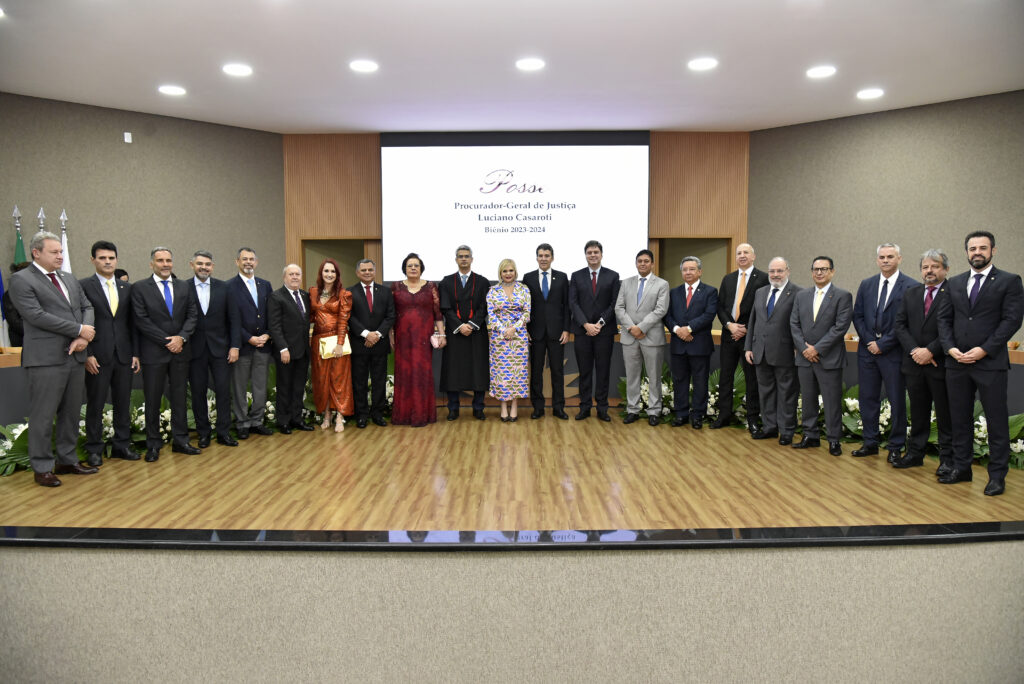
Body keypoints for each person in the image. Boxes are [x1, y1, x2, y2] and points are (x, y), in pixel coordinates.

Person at [936, 231, 1024, 496]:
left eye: (982, 248)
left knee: (996, 421)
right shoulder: (954, 283)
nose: (977, 252)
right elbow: (943, 320)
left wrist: (983, 350)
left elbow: (1011, 321)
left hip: (990, 364)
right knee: (959, 419)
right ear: (966, 252)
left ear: (993, 251)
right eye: (972, 248)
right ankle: (962, 468)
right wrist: (950, 348)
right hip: (957, 363)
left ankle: (997, 476)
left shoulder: (1009, 281)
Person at [8, 231, 96, 486]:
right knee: (43, 416)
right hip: (45, 359)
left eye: (61, 252)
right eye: (54, 252)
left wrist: (84, 337)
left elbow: (87, 307)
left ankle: (67, 460)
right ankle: (43, 467)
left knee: (70, 414)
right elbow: (35, 316)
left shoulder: (68, 278)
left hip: (75, 356)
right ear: (36, 253)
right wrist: (78, 330)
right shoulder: (21, 280)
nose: (60, 256)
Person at [131, 246, 199, 462]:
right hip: (154, 353)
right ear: (152, 264)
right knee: (152, 399)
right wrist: (167, 341)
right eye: (160, 260)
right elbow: (141, 320)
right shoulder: (140, 288)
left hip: (181, 351)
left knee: (179, 398)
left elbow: (192, 315)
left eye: (168, 260)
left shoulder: (183, 286)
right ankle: (153, 444)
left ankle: (181, 441)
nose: (165, 264)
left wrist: (181, 338)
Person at [851, 243, 916, 462]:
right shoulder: (867, 284)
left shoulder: (911, 286)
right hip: (867, 352)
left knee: (897, 400)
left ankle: (896, 445)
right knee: (868, 398)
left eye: (890, 256)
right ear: (877, 260)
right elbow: (857, 315)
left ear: (899, 258)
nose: (885, 260)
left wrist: (884, 343)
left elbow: (907, 322)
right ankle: (870, 442)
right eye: (882, 257)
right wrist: (870, 341)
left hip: (894, 353)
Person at [80, 240, 140, 466]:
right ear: (93, 260)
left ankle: (121, 445)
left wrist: (135, 352)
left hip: (124, 355)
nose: (107, 262)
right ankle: (94, 449)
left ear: (116, 260)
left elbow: (132, 323)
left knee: (123, 402)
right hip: (97, 355)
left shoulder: (127, 287)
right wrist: (88, 353)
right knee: (95, 404)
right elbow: (80, 322)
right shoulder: (84, 286)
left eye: (111, 258)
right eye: (102, 258)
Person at [893, 249, 953, 472]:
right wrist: (915, 351)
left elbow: (953, 327)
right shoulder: (912, 293)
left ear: (945, 269)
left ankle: (947, 459)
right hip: (914, 364)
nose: (930, 270)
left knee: (945, 415)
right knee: (918, 412)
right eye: (926, 267)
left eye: (935, 266)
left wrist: (930, 351)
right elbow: (900, 325)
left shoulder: (953, 292)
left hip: (940, 365)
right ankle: (915, 453)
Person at [789, 256, 853, 456]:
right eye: (816, 269)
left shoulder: (843, 296)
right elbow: (794, 324)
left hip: (829, 358)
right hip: (804, 358)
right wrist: (804, 348)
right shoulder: (802, 295)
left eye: (824, 269)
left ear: (832, 272)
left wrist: (816, 349)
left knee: (831, 400)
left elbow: (840, 327)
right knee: (808, 399)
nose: (819, 273)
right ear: (811, 272)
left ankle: (834, 440)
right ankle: (810, 435)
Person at [744, 257, 800, 444]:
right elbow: (753, 320)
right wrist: (748, 347)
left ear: (787, 271)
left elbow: (799, 324)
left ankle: (786, 430)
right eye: (772, 271)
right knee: (765, 392)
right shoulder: (760, 292)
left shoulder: (798, 293)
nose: (775, 275)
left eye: (779, 271)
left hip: (785, 352)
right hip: (760, 351)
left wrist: (796, 347)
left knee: (786, 393)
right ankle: (769, 427)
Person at [712, 243, 767, 431]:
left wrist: (745, 329)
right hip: (729, 336)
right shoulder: (728, 279)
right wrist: (729, 325)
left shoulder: (764, 278)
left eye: (746, 252)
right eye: (739, 253)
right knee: (725, 377)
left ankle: (752, 418)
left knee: (751, 379)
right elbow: (720, 306)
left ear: (753, 256)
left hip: (749, 338)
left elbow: (763, 310)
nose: (742, 255)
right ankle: (724, 415)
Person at [186, 250, 238, 448]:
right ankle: (203, 433)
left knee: (224, 392)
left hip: (221, 350)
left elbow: (234, 319)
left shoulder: (224, 288)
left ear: (213, 267)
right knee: (198, 393)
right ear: (192, 265)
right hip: (194, 350)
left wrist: (234, 346)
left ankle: (224, 432)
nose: (204, 267)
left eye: (207, 264)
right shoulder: (184, 288)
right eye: (200, 264)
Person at [614, 249, 669, 426]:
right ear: (636, 263)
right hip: (630, 337)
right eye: (640, 261)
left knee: (654, 376)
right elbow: (619, 308)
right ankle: (633, 409)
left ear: (652, 263)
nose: (643, 264)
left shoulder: (662, 284)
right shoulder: (626, 283)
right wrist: (632, 328)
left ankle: (654, 411)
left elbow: (661, 310)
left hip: (652, 336)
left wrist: (642, 327)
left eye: (646, 261)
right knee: (632, 376)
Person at [391, 253, 445, 427]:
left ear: (421, 268)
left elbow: (437, 314)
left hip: (423, 339)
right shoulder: (396, 287)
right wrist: (391, 335)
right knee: (404, 374)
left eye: (416, 265)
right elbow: (391, 315)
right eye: (409, 265)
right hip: (403, 339)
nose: (413, 268)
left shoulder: (430, 287)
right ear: (404, 269)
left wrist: (442, 334)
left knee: (422, 374)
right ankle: (404, 415)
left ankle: (423, 414)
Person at [568, 240, 620, 421]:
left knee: (603, 371)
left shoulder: (613, 276)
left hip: (604, 332)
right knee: (585, 371)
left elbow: (614, 303)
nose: (593, 255)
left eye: (596, 252)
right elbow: (573, 303)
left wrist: (600, 323)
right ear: (585, 255)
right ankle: (585, 407)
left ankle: (602, 408)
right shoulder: (576, 276)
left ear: (601, 254)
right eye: (589, 252)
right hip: (583, 332)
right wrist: (586, 324)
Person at [663, 256, 718, 429]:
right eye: (685, 269)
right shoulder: (673, 292)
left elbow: (709, 315)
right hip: (678, 344)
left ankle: (698, 415)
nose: (688, 272)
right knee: (679, 381)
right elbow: (667, 315)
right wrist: (677, 329)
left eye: (692, 269)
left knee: (700, 381)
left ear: (699, 271)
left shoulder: (710, 291)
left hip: (699, 344)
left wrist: (689, 329)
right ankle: (681, 414)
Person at [226, 247, 274, 439]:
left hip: (263, 345)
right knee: (239, 386)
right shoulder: (229, 286)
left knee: (260, 385)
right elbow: (230, 318)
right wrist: (248, 338)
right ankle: (242, 422)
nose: (248, 262)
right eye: (244, 259)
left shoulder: (265, 285)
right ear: (237, 262)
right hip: (244, 346)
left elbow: (271, 313)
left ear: (256, 262)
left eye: (251, 259)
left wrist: (267, 334)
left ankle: (256, 420)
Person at [439, 245, 489, 420]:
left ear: (472, 259)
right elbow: (445, 307)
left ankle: (478, 408)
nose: (464, 259)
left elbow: (484, 307)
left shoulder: (482, 282)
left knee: (478, 370)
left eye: (467, 256)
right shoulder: (446, 282)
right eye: (460, 256)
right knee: (454, 371)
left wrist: (472, 324)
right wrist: (460, 326)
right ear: (456, 259)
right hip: (455, 333)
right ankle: (453, 408)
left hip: (476, 333)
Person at [522, 243, 570, 420]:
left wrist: (566, 329)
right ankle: (538, 407)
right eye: (540, 255)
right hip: (535, 333)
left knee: (557, 371)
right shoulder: (528, 278)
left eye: (547, 255)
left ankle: (559, 407)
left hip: (557, 333)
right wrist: (525, 329)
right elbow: (524, 307)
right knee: (536, 372)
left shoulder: (562, 277)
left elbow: (567, 307)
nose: (543, 258)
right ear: (536, 258)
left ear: (552, 258)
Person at [348, 258, 395, 429]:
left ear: (375, 272)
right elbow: (349, 317)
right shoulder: (349, 292)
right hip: (359, 344)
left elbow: (391, 316)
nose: (367, 272)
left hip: (380, 344)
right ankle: (361, 415)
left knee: (379, 381)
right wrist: (367, 334)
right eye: (363, 270)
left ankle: (377, 414)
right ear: (357, 273)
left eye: (370, 270)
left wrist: (377, 335)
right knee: (359, 382)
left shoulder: (385, 291)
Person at [268, 263, 313, 434]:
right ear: (284, 277)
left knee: (298, 387)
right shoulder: (276, 296)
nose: (295, 277)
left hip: (303, 351)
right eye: (291, 274)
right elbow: (274, 326)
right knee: (285, 387)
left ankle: (297, 419)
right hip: (286, 352)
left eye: (297, 274)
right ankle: (283, 421)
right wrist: (282, 348)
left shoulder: (304, 295)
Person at [309, 258, 353, 432]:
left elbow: (343, 320)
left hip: (337, 342)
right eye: (326, 271)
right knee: (322, 380)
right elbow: (310, 316)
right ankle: (326, 414)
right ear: (321, 273)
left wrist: (340, 343)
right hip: (318, 342)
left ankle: (340, 416)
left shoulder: (344, 294)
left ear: (337, 275)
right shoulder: (313, 292)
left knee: (338, 379)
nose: (329, 274)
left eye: (333, 271)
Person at [486, 258, 530, 421]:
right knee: (501, 374)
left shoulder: (524, 289)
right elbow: (491, 314)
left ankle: (515, 406)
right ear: (500, 273)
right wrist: (504, 329)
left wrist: (514, 328)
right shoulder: (493, 291)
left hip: (518, 337)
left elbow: (526, 313)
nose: (508, 274)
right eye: (505, 271)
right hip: (499, 337)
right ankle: (503, 406)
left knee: (517, 373)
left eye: (511, 270)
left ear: (515, 272)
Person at [3, 262, 30, 346]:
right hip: (22, 341)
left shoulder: (40, 292)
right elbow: (14, 321)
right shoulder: (10, 294)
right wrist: (36, 332)